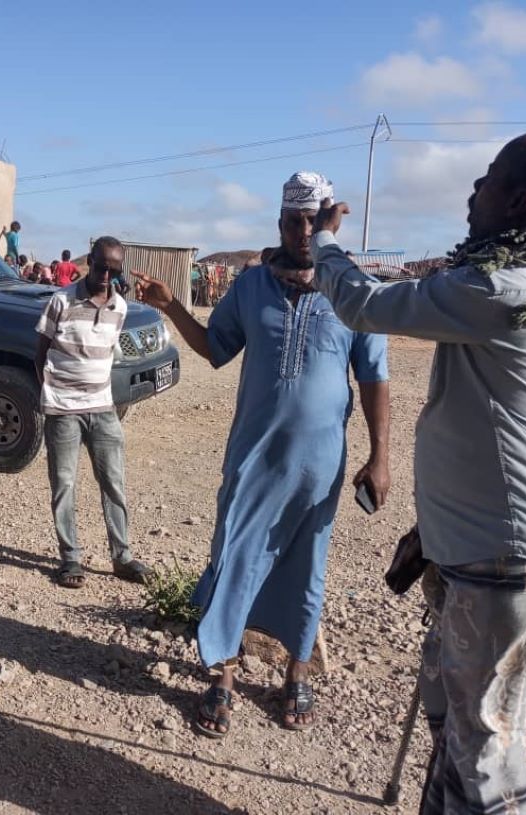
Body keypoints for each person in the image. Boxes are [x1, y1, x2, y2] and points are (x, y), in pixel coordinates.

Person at [309, 128, 526, 815]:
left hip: (510, 556)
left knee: (486, 756)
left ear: (519, 200)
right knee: (451, 708)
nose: (474, 191)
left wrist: (324, 244)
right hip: (499, 543)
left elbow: (362, 305)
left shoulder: (506, 286)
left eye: (488, 178)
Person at [134, 171, 391, 736]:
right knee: (232, 557)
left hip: (318, 466)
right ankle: (221, 674)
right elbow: (216, 348)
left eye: (313, 220)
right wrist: (173, 306)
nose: (303, 231)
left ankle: (297, 673)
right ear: (279, 223)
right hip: (252, 458)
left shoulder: (352, 289)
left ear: (330, 221)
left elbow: (373, 377)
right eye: (293, 221)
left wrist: (381, 455)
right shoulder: (250, 287)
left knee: (307, 565)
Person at [35, 236, 154, 589]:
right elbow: (39, 351)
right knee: (64, 484)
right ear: (90, 263)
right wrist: (51, 394)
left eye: (113, 270)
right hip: (63, 410)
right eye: (100, 267)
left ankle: (123, 557)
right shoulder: (60, 301)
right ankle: (70, 558)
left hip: (103, 409)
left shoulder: (120, 307)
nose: (105, 276)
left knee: (114, 483)